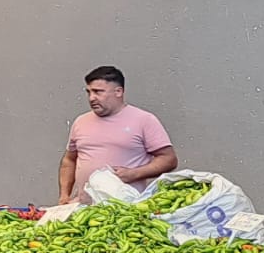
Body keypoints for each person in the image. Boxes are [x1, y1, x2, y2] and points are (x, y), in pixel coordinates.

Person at [58, 65, 177, 205]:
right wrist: (65, 195)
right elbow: (69, 161)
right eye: (88, 92)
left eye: (98, 92)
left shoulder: (144, 120)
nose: (91, 98)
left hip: (126, 210)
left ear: (118, 92)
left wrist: (134, 174)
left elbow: (169, 159)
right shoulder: (80, 122)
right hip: (84, 209)